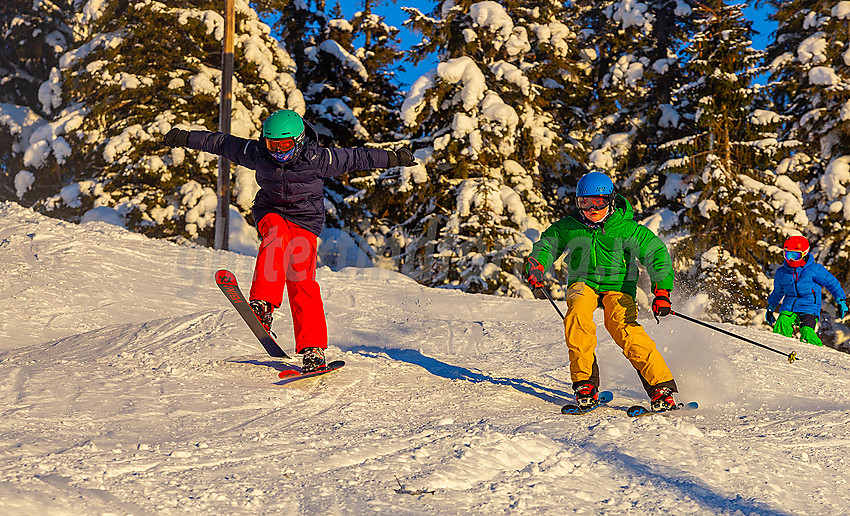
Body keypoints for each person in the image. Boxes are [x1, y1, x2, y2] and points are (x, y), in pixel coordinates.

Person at [164, 109, 414, 372]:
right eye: (273, 144)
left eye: (284, 145)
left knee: (301, 280)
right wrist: (185, 137)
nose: (278, 151)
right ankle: (262, 304)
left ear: (300, 140)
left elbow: (358, 157)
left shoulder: (318, 158)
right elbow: (221, 143)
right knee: (275, 236)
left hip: (305, 221)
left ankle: (313, 349)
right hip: (271, 212)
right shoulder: (257, 153)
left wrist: (394, 157)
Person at [524, 171, 679, 412]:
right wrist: (538, 264)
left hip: (619, 287)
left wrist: (661, 291)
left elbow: (657, 254)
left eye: (599, 201)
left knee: (623, 327)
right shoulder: (570, 226)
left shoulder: (627, 229)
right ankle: (585, 384)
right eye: (585, 203)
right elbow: (547, 245)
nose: (592, 208)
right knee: (576, 317)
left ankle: (661, 387)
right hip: (583, 283)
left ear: (611, 200)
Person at [765, 235, 847, 347]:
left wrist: (840, 299)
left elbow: (831, 283)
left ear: (804, 254)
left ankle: (817, 353)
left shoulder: (814, 269)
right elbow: (778, 292)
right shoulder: (782, 273)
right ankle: (780, 349)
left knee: (807, 333)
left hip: (809, 307)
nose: (791, 259)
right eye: (788, 255)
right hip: (789, 307)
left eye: (795, 255)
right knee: (781, 325)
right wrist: (771, 307)